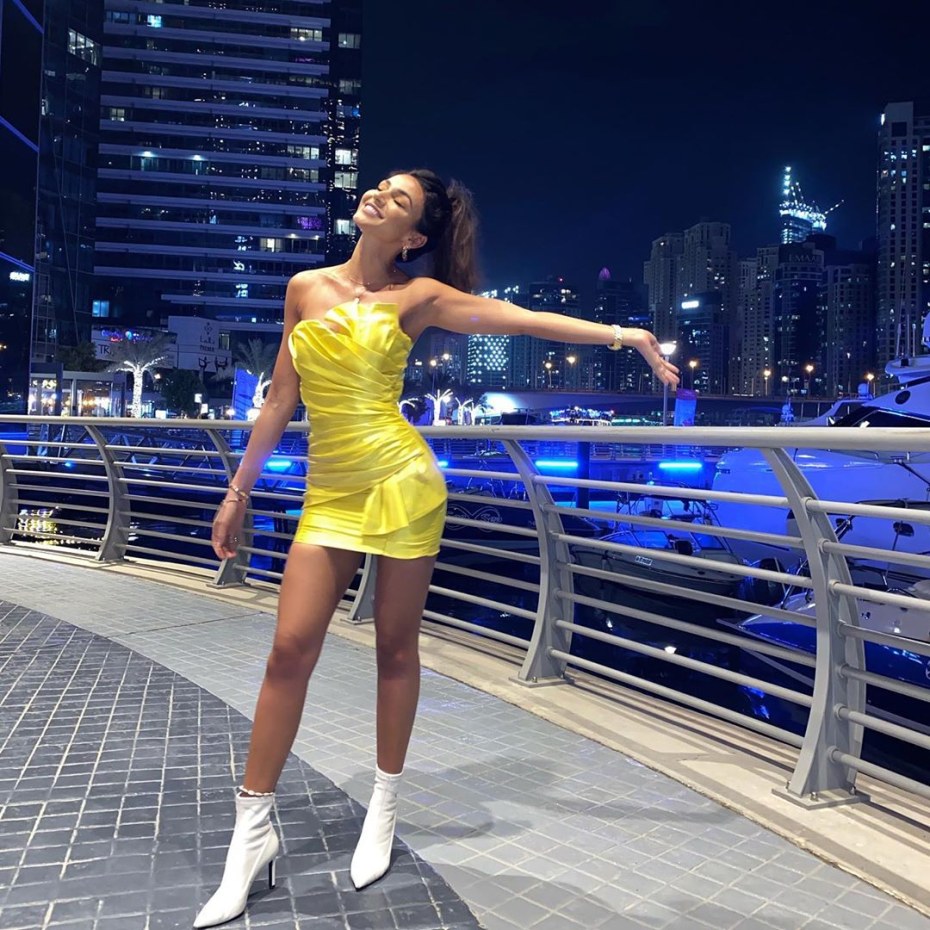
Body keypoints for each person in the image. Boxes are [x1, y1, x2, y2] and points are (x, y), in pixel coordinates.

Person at [193, 168, 679, 928]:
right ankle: (252, 834)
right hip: (329, 494)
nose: (378, 196)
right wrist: (237, 492)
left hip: (403, 483)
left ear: (414, 236)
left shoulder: (417, 297)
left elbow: (519, 319)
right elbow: (282, 399)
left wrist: (628, 336)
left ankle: (384, 807)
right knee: (288, 651)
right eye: (382, 186)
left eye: (400, 200)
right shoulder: (304, 288)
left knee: (395, 649)